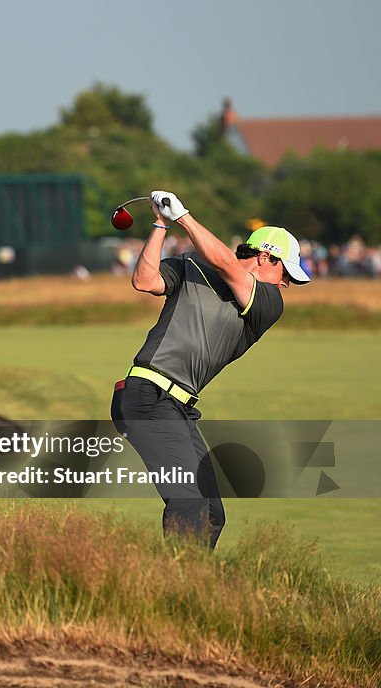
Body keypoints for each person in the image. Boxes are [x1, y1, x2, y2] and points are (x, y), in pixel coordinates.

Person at [110, 190, 310, 549]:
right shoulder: (191, 266)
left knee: (212, 512)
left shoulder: (268, 303)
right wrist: (160, 223)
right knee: (189, 501)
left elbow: (229, 267)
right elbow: (145, 281)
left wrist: (184, 217)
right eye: (286, 274)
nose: (286, 285)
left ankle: (194, 587)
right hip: (146, 396)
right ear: (266, 257)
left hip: (176, 407)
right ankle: (175, 593)